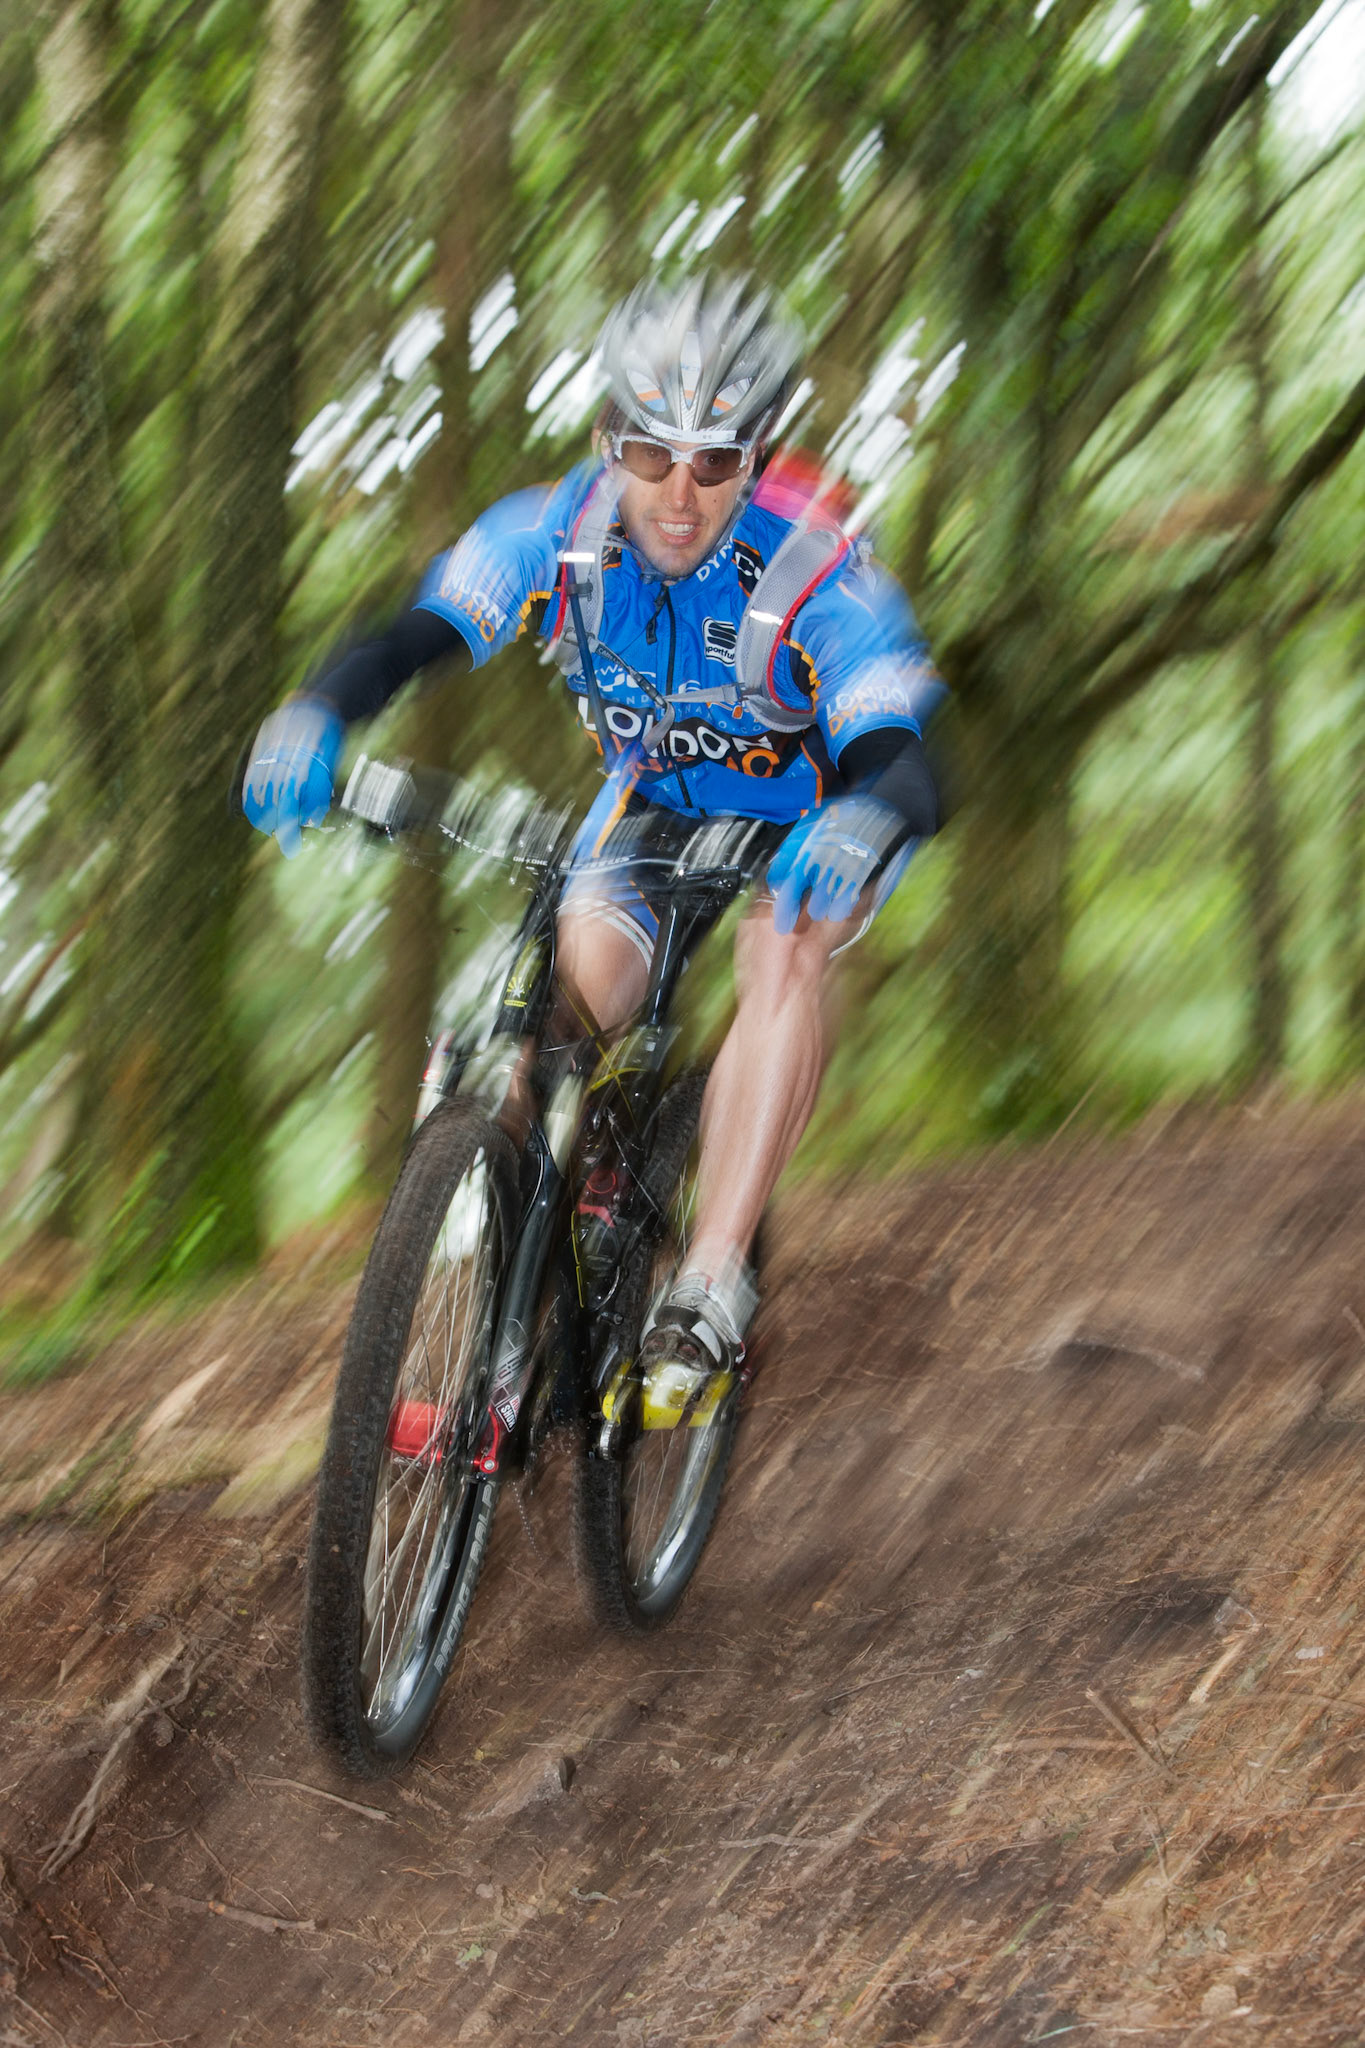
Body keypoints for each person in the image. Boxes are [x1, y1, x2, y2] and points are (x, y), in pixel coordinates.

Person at [243, 274, 942, 1398]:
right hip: (656, 797)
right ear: (606, 435)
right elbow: (415, 633)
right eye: (650, 452)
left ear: (756, 455)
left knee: (784, 945)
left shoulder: (819, 571)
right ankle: (516, 1277)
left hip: (811, 815)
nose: (678, 492)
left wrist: (867, 814)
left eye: (715, 461)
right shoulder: (550, 536)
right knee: (577, 986)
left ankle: (712, 1279)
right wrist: (319, 709)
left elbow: (903, 754)